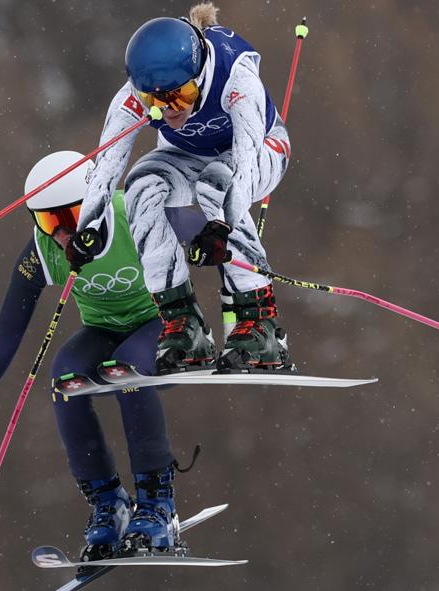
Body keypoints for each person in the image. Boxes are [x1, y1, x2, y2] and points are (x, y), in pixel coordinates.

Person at [0, 151, 187, 561]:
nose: (60, 233)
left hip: (158, 322)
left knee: (125, 374)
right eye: (47, 221)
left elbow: (215, 233)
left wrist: (243, 307)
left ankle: (157, 503)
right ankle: (109, 503)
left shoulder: (132, 213)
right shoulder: (43, 251)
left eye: (70, 217)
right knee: (65, 378)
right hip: (103, 330)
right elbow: (6, 334)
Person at [67, 3, 294, 373]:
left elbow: (246, 164)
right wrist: (89, 227)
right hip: (188, 157)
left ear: (200, 73)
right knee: (141, 185)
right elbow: (108, 161)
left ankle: (260, 323)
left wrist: (221, 226)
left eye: (180, 96)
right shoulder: (139, 93)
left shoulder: (236, 78)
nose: (168, 110)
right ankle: (182, 322)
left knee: (215, 183)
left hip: (264, 152)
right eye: (154, 101)